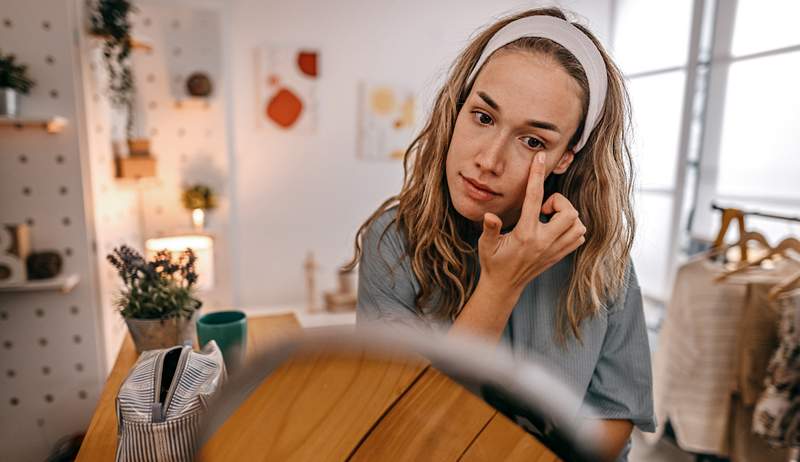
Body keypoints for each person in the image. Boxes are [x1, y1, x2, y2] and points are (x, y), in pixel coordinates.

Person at [345, 7, 655, 461]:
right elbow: (404, 417)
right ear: (457, 108)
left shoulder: (600, 259)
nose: (489, 160)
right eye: (483, 117)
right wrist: (500, 284)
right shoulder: (393, 242)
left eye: (533, 141)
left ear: (566, 157)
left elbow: (614, 420)